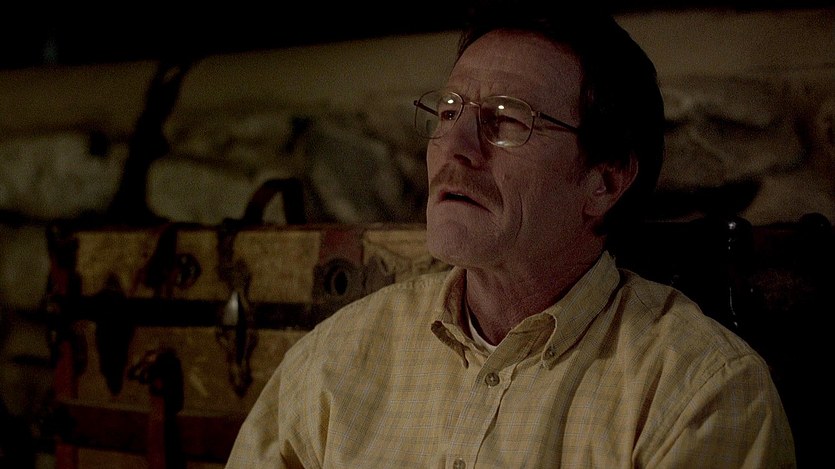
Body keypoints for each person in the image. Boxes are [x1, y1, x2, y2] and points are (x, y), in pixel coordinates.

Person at [226, 2, 796, 467]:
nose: (455, 147)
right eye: (449, 111)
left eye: (506, 119)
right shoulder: (336, 357)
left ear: (603, 181)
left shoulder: (698, 394)